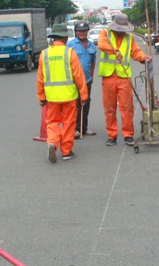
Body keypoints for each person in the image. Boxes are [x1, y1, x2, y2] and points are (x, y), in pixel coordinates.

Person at [97, 12, 151, 146]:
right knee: (109, 107)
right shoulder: (105, 34)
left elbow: (135, 52)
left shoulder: (129, 38)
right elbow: (101, 44)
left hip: (124, 76)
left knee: (126, 107)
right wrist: (114, 50)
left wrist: (144, 58)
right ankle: (112, 135)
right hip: (108, 76)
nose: (121, 32)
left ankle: (128, 134)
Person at [38, 24, 89, 162]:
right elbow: (79, 76)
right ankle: (66, 151)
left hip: (52, 97)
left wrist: (41, 96)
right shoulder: (69, 53)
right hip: (69, 96)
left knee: (53, 122)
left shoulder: (44, 54)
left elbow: (40, 78)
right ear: (65, 38)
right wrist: (84, 95)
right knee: (68, 123)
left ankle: (53, 143)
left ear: (53, 38)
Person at [67, 21, 98, 138]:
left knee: (86, 103)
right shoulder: (70, 45)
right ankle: (75, 129)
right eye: (79, 31)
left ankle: (84, 128)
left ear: (87, 31)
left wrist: (92, 75)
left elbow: (93, 61)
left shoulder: (91, 45)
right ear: (76, 32)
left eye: (84, 30)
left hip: (87, 80)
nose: (82, 33)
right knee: (75, 104)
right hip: (74, 81)